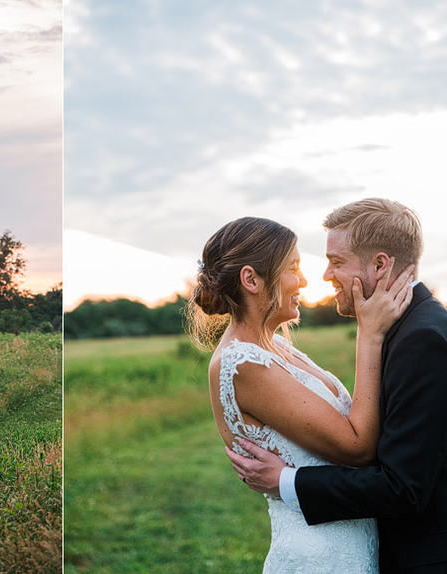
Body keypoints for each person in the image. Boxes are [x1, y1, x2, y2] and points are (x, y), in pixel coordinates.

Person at [228, 199, 447, 573]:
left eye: (337, 261)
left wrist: (285, 481)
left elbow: (403, 488)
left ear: (380, 265)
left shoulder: (421, 339)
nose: (326, 275)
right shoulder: (408, 327)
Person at [190, 214, 413, 572]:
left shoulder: (275, 347)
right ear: (252, 279)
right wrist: (369, 335)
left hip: (349, 543)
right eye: (293, 267)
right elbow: (356, 446)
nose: (305, 280)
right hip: (319, 556)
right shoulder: (241, 362)